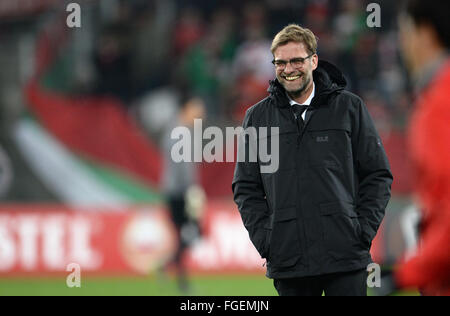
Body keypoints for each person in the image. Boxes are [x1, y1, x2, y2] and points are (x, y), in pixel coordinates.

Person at [232, 24, 393, 296]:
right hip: (289, 261)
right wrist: (267, 240)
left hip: (345, 259)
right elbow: (246, 186)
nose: (288, 68)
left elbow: (377, 175)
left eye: (296, 60)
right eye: (280, 62)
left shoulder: (349, 108)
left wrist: (361, 232)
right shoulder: (256, 118)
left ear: (314, 61)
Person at [395, 0, 450, 296]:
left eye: (405, 33)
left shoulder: (439, 105)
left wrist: (407, 273)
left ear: (425, 33)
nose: (403, 45)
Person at [160, 92, 206, 293]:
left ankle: (167, 267)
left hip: (178, 191)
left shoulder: (181, 130)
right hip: (179, 193)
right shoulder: (179, 132)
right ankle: (180, 280)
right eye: (197, 109)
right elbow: (182, 166)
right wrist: (191, 191)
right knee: (189, 234)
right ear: (186, 109)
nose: (201, 114)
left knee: (187, 235)